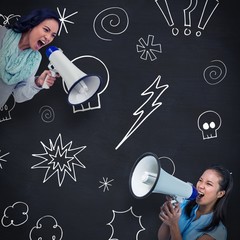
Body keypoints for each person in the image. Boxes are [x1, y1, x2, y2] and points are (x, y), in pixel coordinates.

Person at [0, 8, 61, 108]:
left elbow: (18, 96)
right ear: (32, 25)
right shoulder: (2, 34)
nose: (48, 38)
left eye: (53, 35)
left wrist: (37, 83)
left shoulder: (34, 60)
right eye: (46, 30)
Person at [158, 165, 233, 240]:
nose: (200, 186)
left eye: (209, 184)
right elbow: (162, 238)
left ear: (220, 194)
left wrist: (173, 224)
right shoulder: (182, 204)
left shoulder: (217, 231)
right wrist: (168, 217)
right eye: (200, 180)